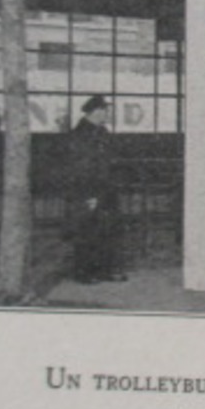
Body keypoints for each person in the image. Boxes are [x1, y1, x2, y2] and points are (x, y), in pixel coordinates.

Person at [66, 94, 124, 284]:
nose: (108, 113)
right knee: (87, 232)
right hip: (89, 190)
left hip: (106, 189)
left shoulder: (102, 132)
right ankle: (84, 273)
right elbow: (80, 167)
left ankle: (105, 270)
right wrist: (88, 195)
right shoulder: (80, 134)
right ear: (95, 111)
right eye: (105, 110)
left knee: (107, 230)